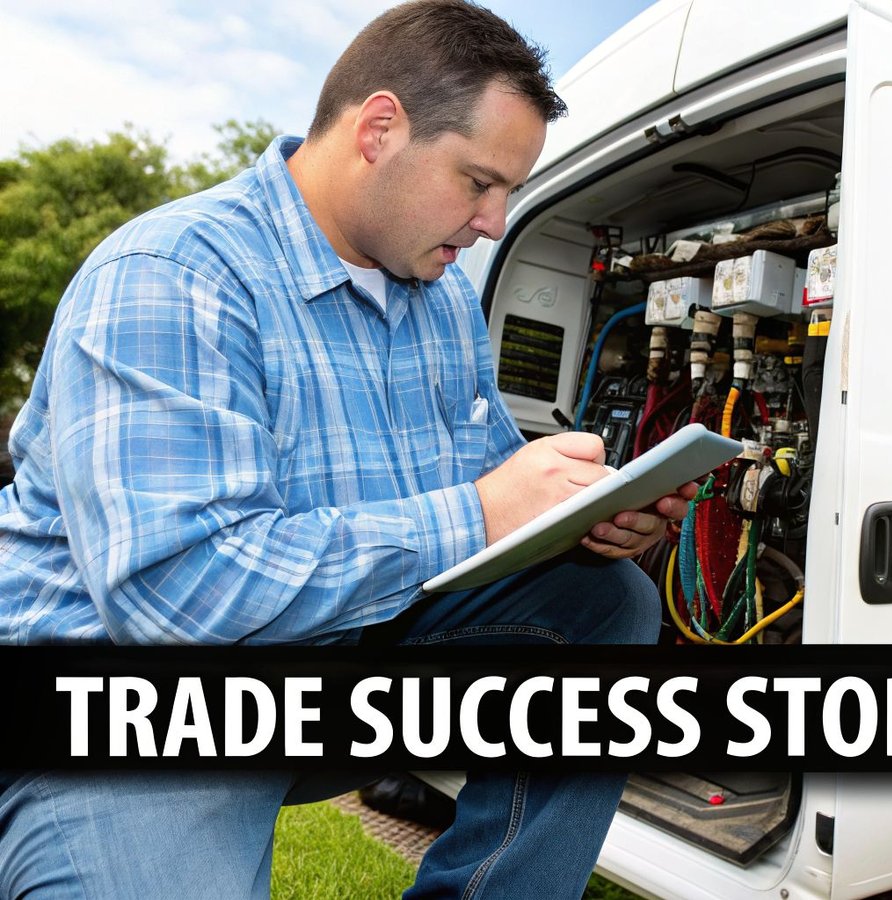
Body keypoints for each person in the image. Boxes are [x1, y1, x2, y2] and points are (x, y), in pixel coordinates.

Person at [0, 2, 695, 897]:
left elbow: (492, 502)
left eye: (509, 192)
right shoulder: (173, 275)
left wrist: (584, 519)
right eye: (479, 182)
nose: (494, 222)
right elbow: (174, 597)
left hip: (329, 664)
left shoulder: (440, 300)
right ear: (379, 130)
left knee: (603, 604)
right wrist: (483, 512)